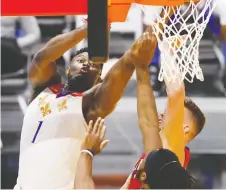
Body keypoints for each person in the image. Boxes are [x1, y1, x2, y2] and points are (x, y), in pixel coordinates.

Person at [14, 23, 156, 189]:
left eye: (94, 65)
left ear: (98, 79)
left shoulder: (91, 106)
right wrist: (88, 29)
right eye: (80, 60)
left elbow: (128, 60)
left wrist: (158, 23)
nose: (87, 64)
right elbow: (40, 58)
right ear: (68, 70)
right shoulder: (42, 90)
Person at [74, 34, 194, 189]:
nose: (163, 114)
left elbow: (174, 96)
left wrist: (87, 152)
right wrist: (142, 67)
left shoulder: (167, 159)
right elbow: (148, 126)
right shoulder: (163, 175)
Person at [128, 35, 206, 188]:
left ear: (184, 128)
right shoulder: (158, 154)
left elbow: (176, 92)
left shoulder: (173, 150)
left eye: (171, 113)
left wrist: (166, 49)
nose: (163, 114)